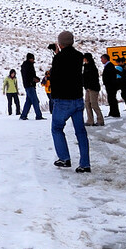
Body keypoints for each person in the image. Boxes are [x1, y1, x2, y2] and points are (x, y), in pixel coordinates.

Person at [48, 31, 91, 172]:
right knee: (81, 132)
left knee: (57, 128)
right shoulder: (79, 56)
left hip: (63, 100)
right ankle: (85, 164)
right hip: (78, 99)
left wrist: (53, 96)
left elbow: (55, 77)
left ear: (60, 43)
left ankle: (64, 158)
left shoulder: (59, 58)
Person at [19, 53, 44, 120]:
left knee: (28, 101)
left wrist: (35, 78)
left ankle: (23, 115)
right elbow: (28, 76)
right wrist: (34, 79)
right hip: (30, 85)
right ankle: (38, 116)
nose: (33, 60)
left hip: (28, 85)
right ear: (30, 58)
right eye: (32, 58)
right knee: (35, 101)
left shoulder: (26, 65)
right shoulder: (28, 65)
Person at [82, 53, 104, 126]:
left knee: (94, 104)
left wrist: (89, 86)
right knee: (87, 104)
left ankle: (100, 120)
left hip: (93, 88)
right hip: (87, 88)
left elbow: (93, 78)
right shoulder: (85, 67)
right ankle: (90, 120)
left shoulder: (92, 67)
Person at [100, 54, 120, 118]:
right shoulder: (108, 65)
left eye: (102, 59)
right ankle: (112, 112)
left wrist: (109, 83)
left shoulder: (109, 66)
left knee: (112, 99)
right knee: (111, 99)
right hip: (110, 85)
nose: (101, 60)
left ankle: (115, 113)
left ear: (106, 59)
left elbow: (111, 76)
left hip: (111, 86)